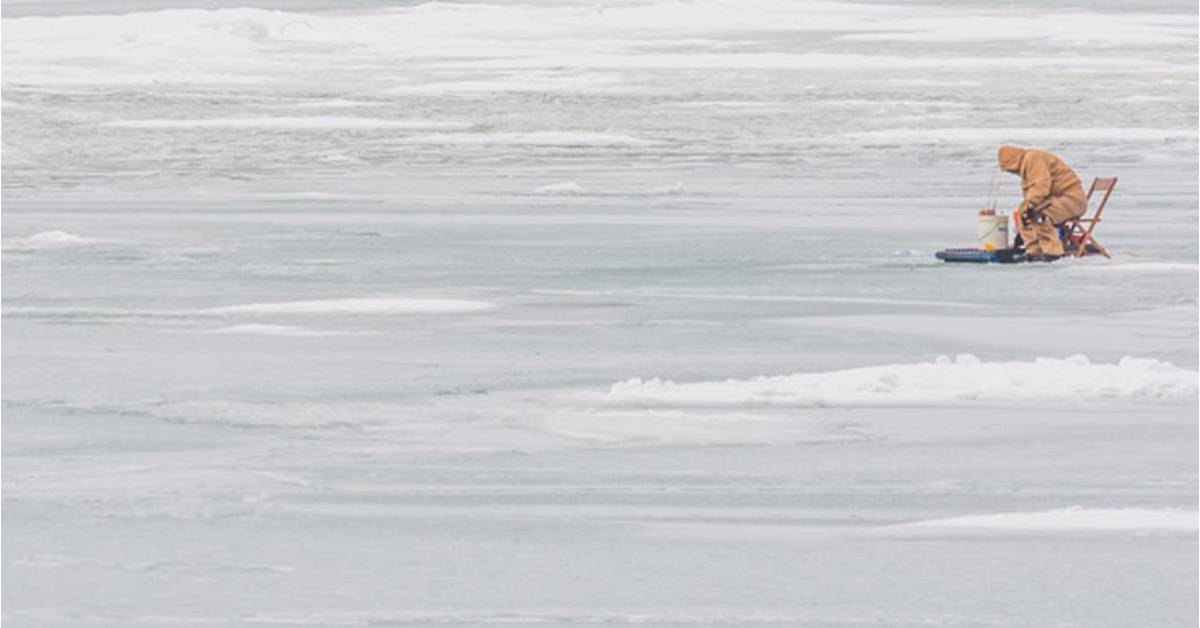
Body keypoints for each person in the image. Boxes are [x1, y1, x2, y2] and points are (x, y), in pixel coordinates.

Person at [997, 145, 1086, 260]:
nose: (1012, 172)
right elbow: (1034, 192)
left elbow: (1041, 186)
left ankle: (1053, 252)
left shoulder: (1034, 159)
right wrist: (1025, 212)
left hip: (1072, 200)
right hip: (1057, 200)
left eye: (1010, 169)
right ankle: (1034, 251)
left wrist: (1030, 204)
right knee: (1024, 213)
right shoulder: (1028, 164)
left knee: (1040, 215)